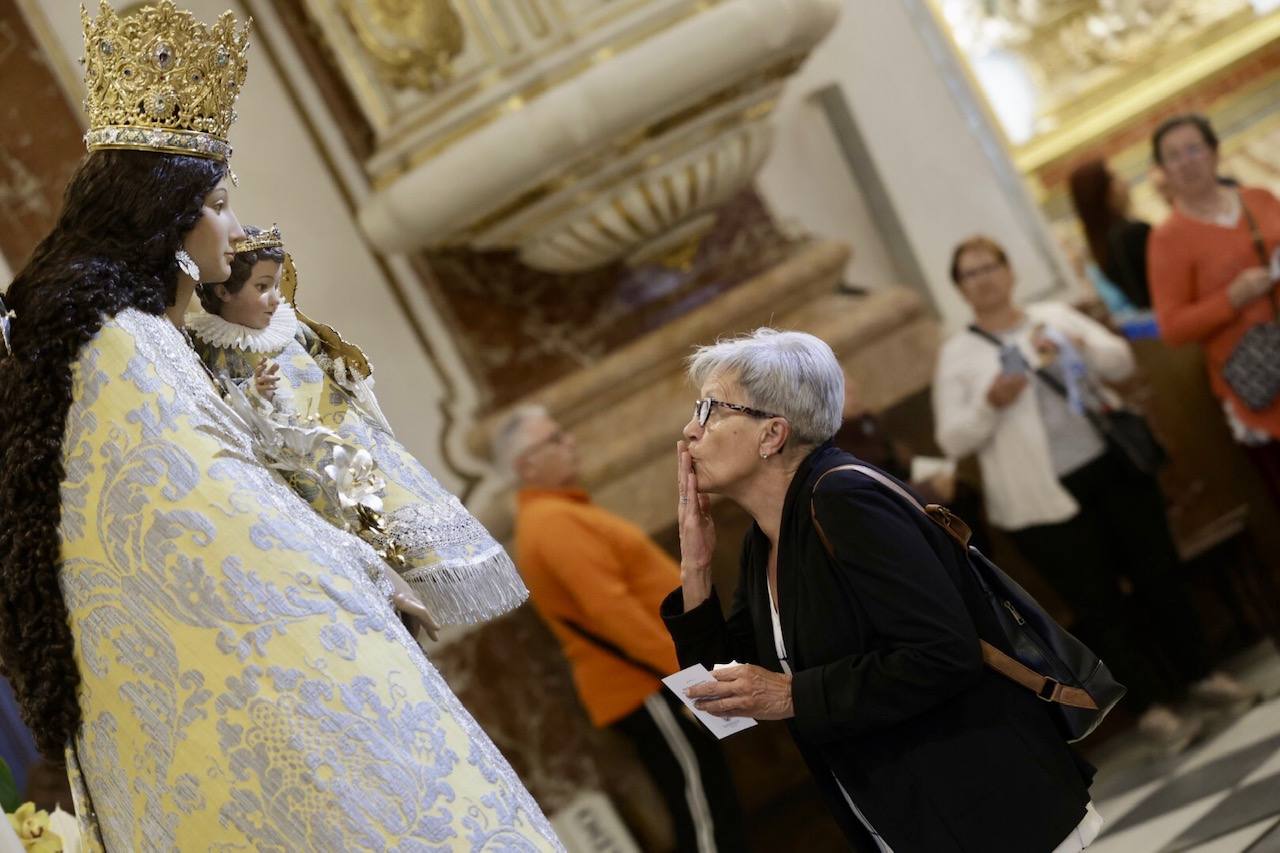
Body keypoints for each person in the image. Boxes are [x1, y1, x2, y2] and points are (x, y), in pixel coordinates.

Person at [0, 4, 561, 849]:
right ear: (170, 217)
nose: (233, 225)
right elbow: (224, 505)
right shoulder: (127, 341)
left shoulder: (113, 336)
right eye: (218, 203)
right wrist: (364, 567)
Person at [663, 328, 1100, 852]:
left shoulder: (844, 500)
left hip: (992, 809)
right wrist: (696, 567)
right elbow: (720, 704)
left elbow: (943, 653)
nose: (691, 430)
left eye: (711, 409)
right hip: (907, 818)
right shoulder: (767, 537)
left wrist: (791, 693)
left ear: (772, 434)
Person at [933, 235, 1255, 752]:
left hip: (1111, 467)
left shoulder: (1051, 315)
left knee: (1160, 576)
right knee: (1101, 607)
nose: (983, 279)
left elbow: (1121, 362)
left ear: (1010, 270)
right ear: (959, 289)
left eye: (990, 266)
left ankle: (1204, 678)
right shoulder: (958, 356)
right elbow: (952, 438)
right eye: (969, 274)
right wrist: (991, 402)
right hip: (1041, 501)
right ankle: (1152, 709)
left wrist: (1078, 347)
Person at [189, 225, 527, 626]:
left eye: (276, 285)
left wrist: (345, 371)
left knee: (391, 501)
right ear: (224, 292)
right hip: (305, 459)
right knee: (355, 528)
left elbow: (328, 358)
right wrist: (256, 396)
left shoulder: (289, 327)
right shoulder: (214, 347)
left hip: (348, 435)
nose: (275, 297)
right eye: (262, 287)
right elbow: (228, 409)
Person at [496, 405, 745, 853]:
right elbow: (611, 612)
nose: (569, 442)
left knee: (706, 798)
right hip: (644, 683)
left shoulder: (559, 514)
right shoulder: (552, 523)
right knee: (702, 805)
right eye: (554, 439)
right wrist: (689, 676)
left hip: (652, 679)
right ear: (526, 466)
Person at [1147, 113, 1280, 504]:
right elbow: (1172, 328)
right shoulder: (1167, 238)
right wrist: (1231, 299)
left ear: (1214, 152)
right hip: (1257, 381)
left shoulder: (1258, 198)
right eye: (1173, 156)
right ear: (1163, 171)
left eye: (1193, 149)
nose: (1186, 161)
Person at [1068, 158, 1152, 311]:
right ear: (1102, 192)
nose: (1124, 181)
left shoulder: (1099, 247)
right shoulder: (1133, 233)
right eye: (1114, 177)